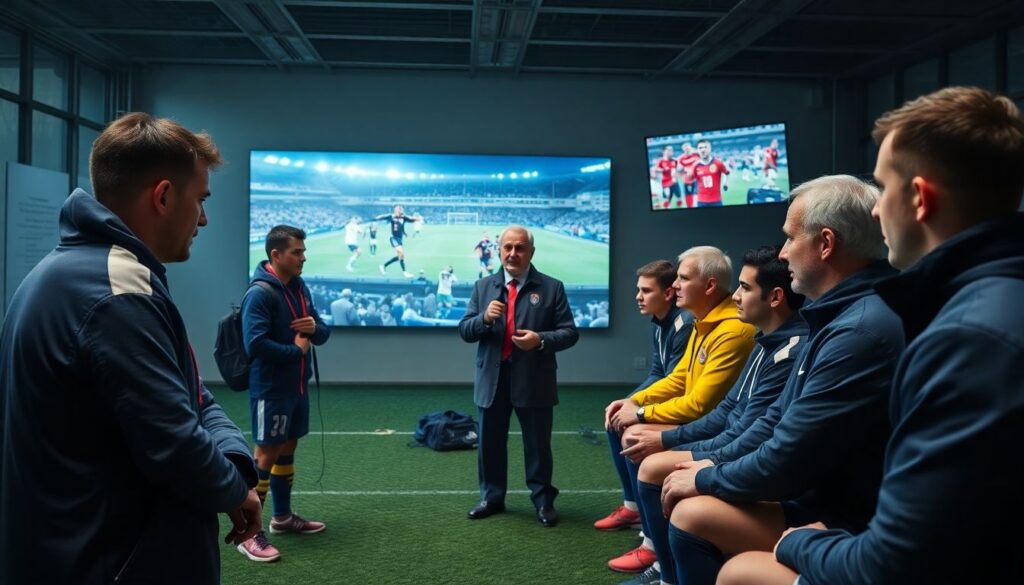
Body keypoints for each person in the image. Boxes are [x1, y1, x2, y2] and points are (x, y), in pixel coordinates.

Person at [723, 87, 1024, 585]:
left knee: (741, 572)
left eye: (882, 190)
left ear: (920, 200)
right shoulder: (975, 311)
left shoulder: (968, 340)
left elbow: (894, 565)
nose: (876, 212)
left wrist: (800, 540)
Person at [0, 112, 260, 584]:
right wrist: (232, 490)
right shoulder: (115, 294)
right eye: (200, 201)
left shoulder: (82, 275)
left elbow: (194, 396)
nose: (203, 218)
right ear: (163, 196)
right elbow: (174, 443)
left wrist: (235, 466)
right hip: (107, 560)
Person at [660, 175, 904, 585]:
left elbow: (786, 458)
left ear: (826, 244)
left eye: (791, 239)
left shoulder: (857, 330)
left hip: (847, 518)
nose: (785, 252)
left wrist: (706, 474)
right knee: (690, 505)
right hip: (826, 498)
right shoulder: (834, 317)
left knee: (718, 546)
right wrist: (712, 464)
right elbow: (774, 421)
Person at [618, 246, 808, 585]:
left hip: (771, 480)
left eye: (745, 288)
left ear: (776, 297)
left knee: (658, 469)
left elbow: (750, 429)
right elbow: (730, 412)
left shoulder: (762, 339)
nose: (735, 295)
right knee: (643, 446)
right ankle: (660, 560)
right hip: (731, 444)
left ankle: (666, 570)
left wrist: (702, 461)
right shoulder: (764, 339)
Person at [603, 246, 757, 575]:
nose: (675, 288)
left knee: (635, 435)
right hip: (706, 421)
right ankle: (649, 536)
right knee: (627, 425)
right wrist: (635, 402)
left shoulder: (732, 330)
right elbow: (677, 378)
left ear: (710, 286)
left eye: (683, 279)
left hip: (712, 428)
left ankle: (654, 550)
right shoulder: (703, 322)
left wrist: (641, 414)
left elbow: (701, 404)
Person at [458, 225, 579, 527]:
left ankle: (543, 501)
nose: (513, 253)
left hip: (534, 378)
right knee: (489, 444)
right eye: (507, 247)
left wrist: (540, 339)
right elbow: (465, 330)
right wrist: (484, 319)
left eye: (520, 248)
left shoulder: (552, 287)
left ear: (531, 252)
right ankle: (491, 498)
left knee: (538, 445)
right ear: (499, 250)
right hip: (492, 380)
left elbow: (569, 333)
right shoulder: (482, 286)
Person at [239, 225, 331, 562]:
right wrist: (297, 351)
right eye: (297, 252)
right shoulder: (260, 293)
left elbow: (320, 330)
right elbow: (255, 345)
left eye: (304, 252)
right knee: (265, 453)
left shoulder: (299, 286)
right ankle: (249, 533)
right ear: (276, 255)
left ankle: (281, 518)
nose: (303, 257)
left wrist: (314, 330)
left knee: (287, 447)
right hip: (271, 390)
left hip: (297, 387)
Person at [593, 260, 692, 535]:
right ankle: (632, 507)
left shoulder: (684, 324)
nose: (638, 297)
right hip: (669, 396)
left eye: (646, 291)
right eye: (639, 290)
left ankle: (644, 517)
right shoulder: (659, 323)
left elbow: (677, 384)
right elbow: (657, 372)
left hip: (686, 408)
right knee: (617, 415)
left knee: (627, 425)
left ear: (668, 293)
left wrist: (634, 407)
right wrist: (629, 401)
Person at [375, 204, 421, 277]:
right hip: (393, 238)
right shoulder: (391, 216)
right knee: (401, 253)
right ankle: (405, 272)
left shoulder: (403, 217)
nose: (400, 209)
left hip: (400, 239)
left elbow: (409, 221)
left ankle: (383, 266)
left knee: (400, 256)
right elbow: (383, 217)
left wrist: (416, 219)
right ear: (395, 209)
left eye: (401, 208)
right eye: (399, 208)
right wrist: (377, 218)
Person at [692, 139, 730, 207]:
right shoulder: (695, 166)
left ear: (710, 149)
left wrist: (726, 183)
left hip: (716, 201)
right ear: (697, 150)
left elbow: (727, 172)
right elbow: (696, 182)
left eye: (705, 147)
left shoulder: (718, 163)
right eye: (700, 148)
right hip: (701, 201)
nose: (703, 150)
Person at [651, 145, 682, 209]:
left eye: (671, 150)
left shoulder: (674, 160)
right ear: (664, 151)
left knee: (679, 198)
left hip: (675, 182)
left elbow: (679, 169)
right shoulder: (661, 161)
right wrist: (663, 169)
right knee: (667, 199)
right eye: (669, 150)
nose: (671, 152)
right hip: (666, 183)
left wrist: (679, 172)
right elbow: (655, 169)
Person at [677, 142, 700, 208]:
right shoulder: (681, 158)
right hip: (687, 180)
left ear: (691, 148)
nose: (687, 150)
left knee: (697, 193)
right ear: (683, 150)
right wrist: (683, 169)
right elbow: (679, 170)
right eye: (685, 149)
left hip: (697, 178)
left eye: (688, 148)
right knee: (688, 194)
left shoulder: (697, 154)